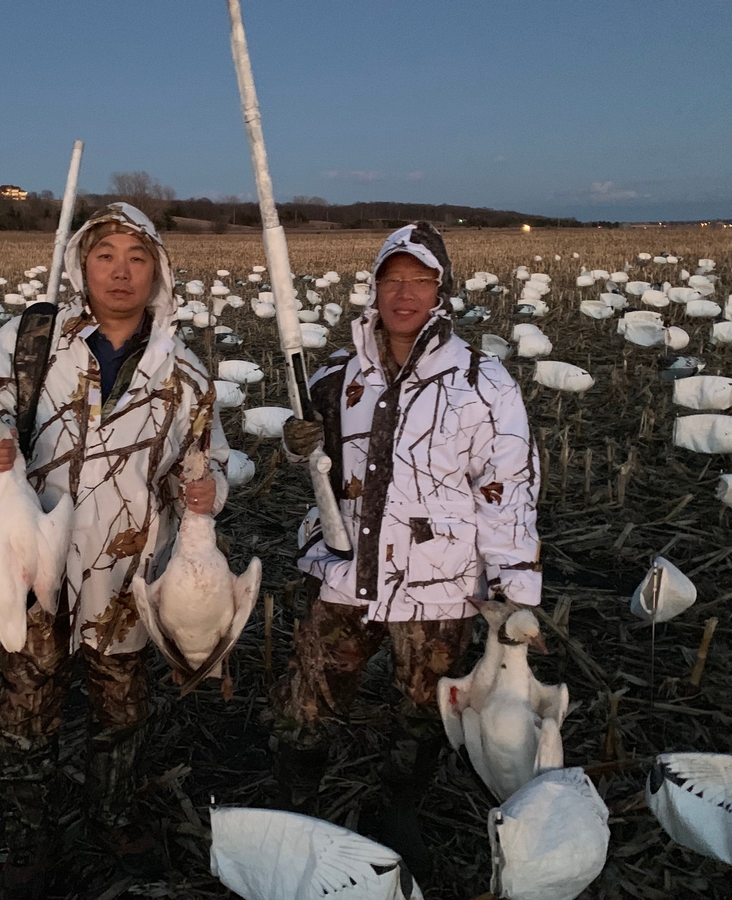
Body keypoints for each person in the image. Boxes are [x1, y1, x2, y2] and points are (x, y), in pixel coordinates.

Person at [0, 203, 229, 894]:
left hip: (124, 574)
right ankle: (28, 836)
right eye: (106, 254)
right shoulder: (31, 340)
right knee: (26, 711)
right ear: (82, 263)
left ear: (159, 270)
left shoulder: (186, 376)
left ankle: (112, 816)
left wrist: (209, 490)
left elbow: (209, 459)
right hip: (29, 556)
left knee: (120, 711)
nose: (121, 271)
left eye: (138, 257)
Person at [273, 222, 541, 877]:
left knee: (424, 709)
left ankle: (397, 808)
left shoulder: (482, 381)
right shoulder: (337, 374)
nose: (404, 294)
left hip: (438, 581)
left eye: (419, 281)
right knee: (306, 700)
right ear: (374, 288)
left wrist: (512, 590)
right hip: (345, 569)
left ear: (440, 290)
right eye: (392, 280)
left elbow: (507, 488)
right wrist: (294, 443)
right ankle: (295, 806)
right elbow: (316, 462)